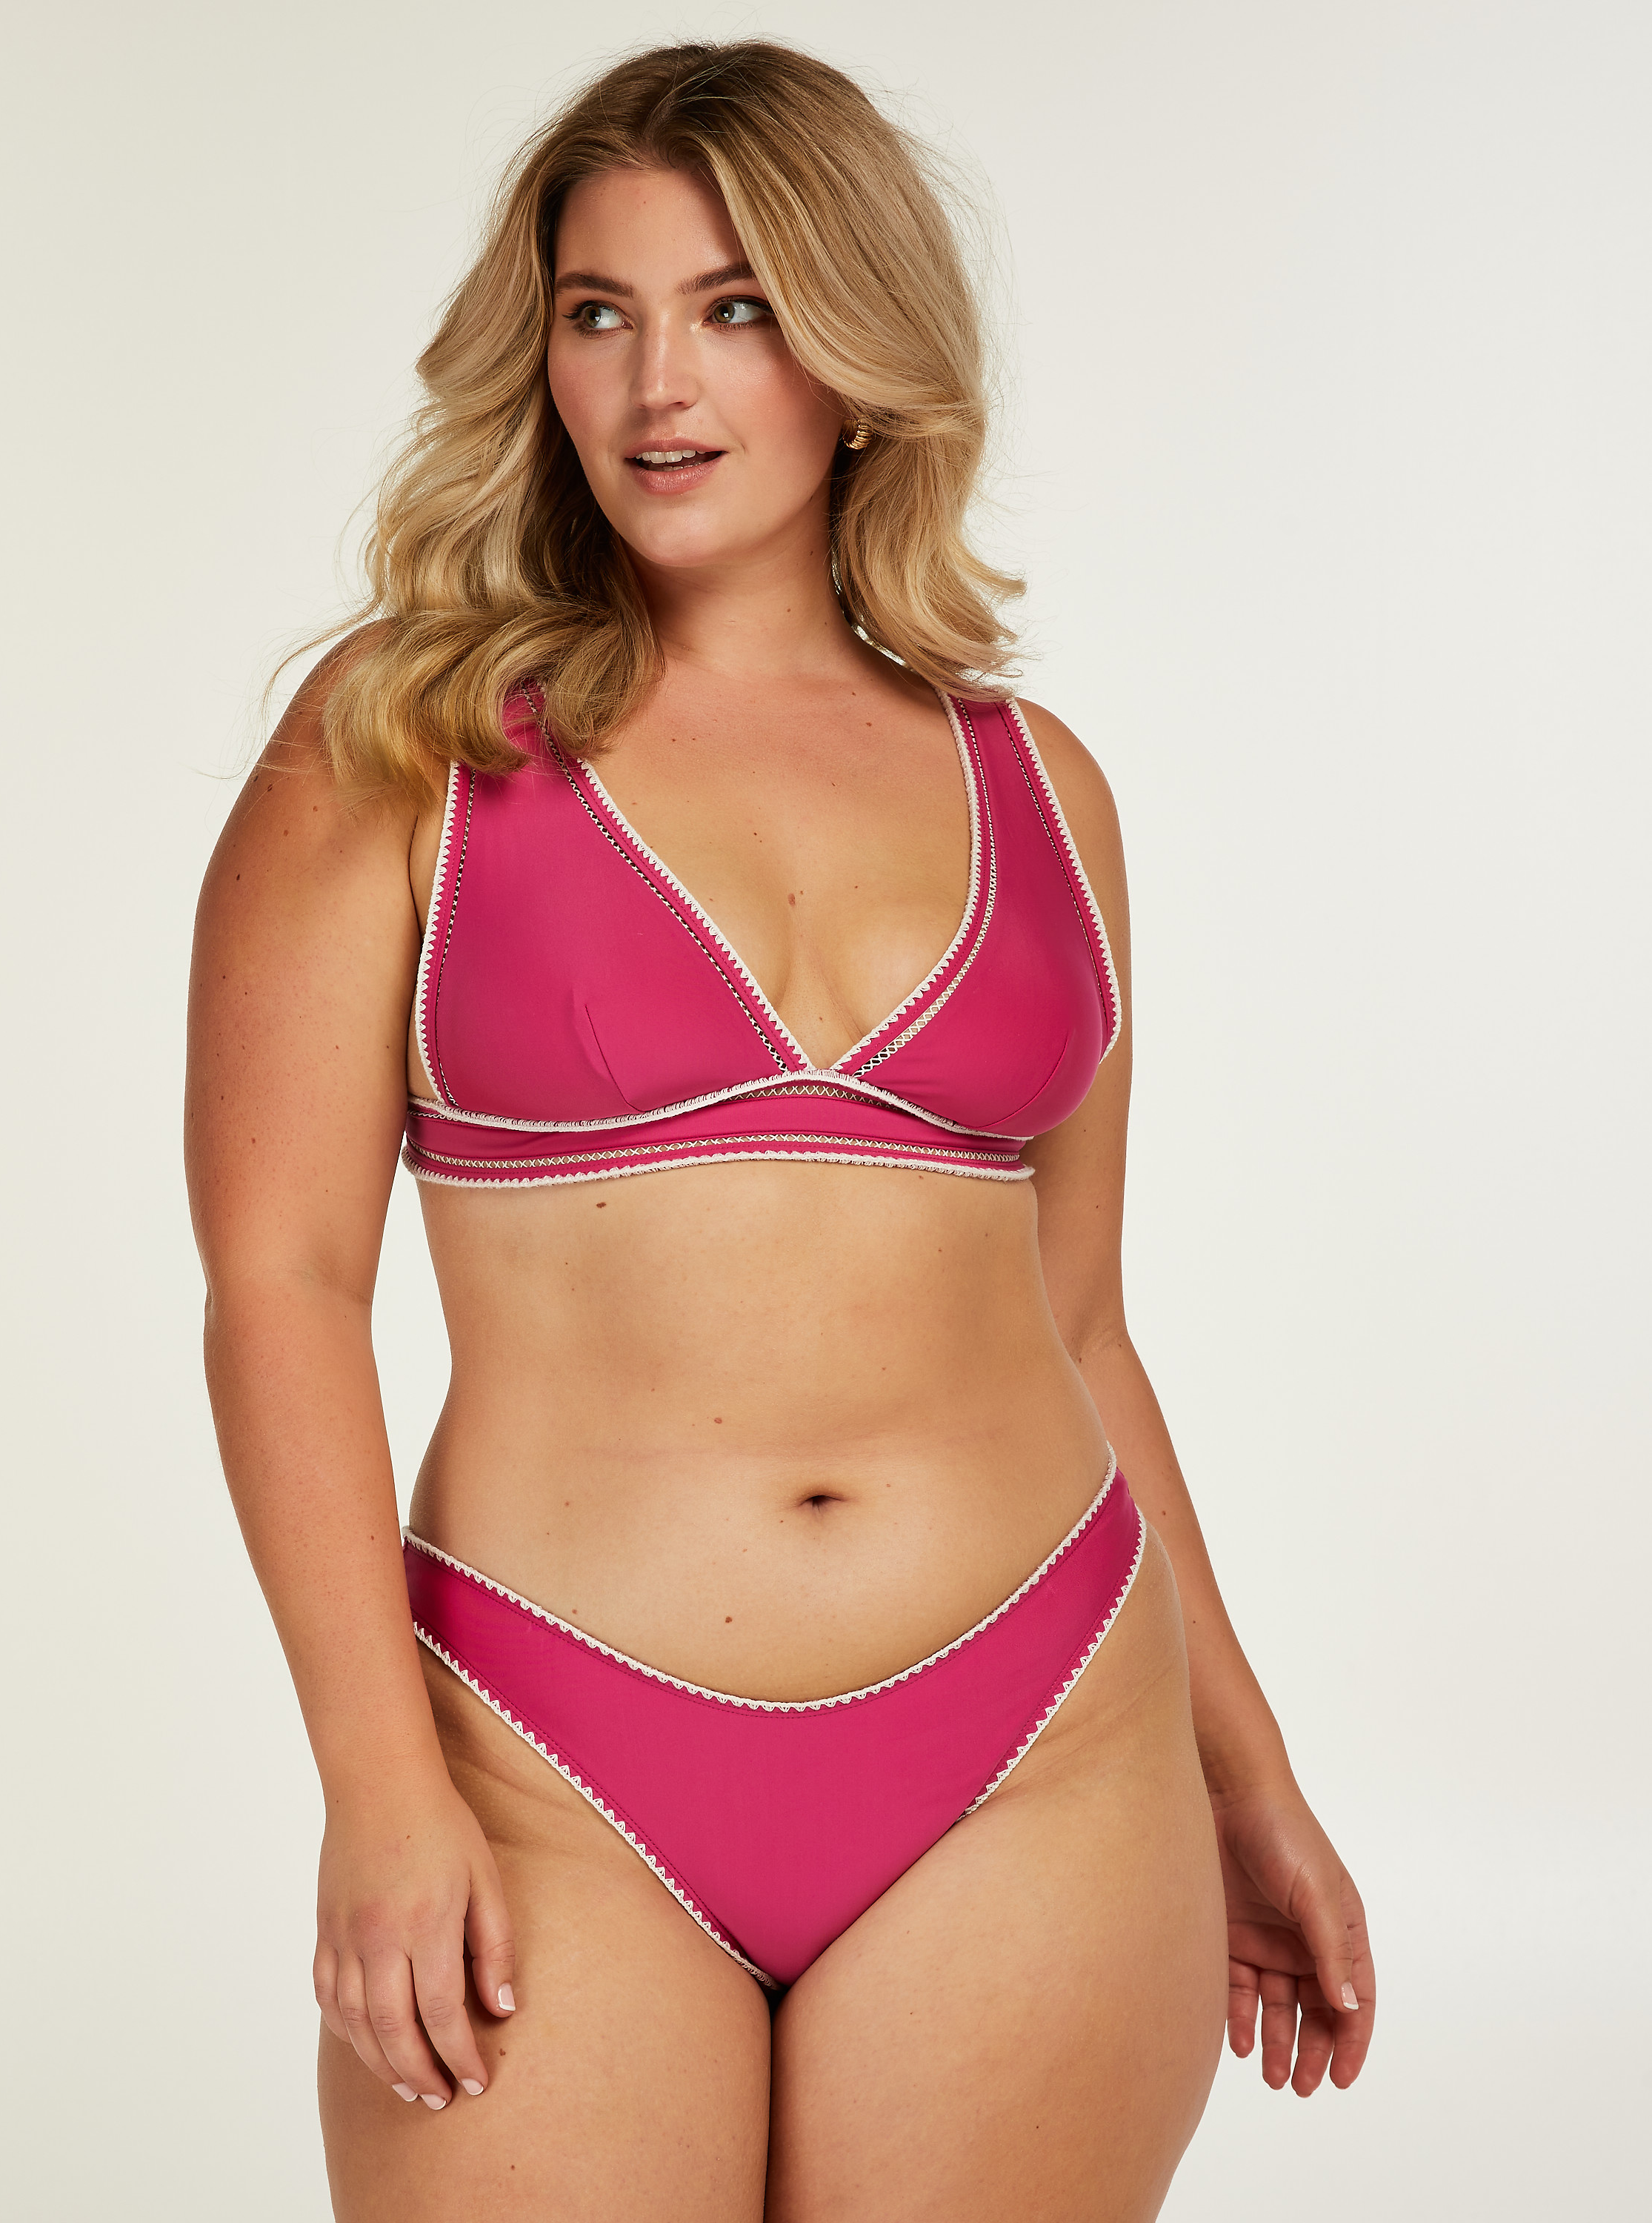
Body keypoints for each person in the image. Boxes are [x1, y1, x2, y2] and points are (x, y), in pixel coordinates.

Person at [185, 39, 1374, 2221]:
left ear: (857, 349)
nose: (659, 382)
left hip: (1042, 1738)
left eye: (734, 308)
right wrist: (375, 1787)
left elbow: (1082, 1328)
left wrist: (1251, 1769)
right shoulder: (402, 741)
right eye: (599, 311)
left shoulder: (1042, 786)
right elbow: (282, 1285)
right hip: (547, 1757)